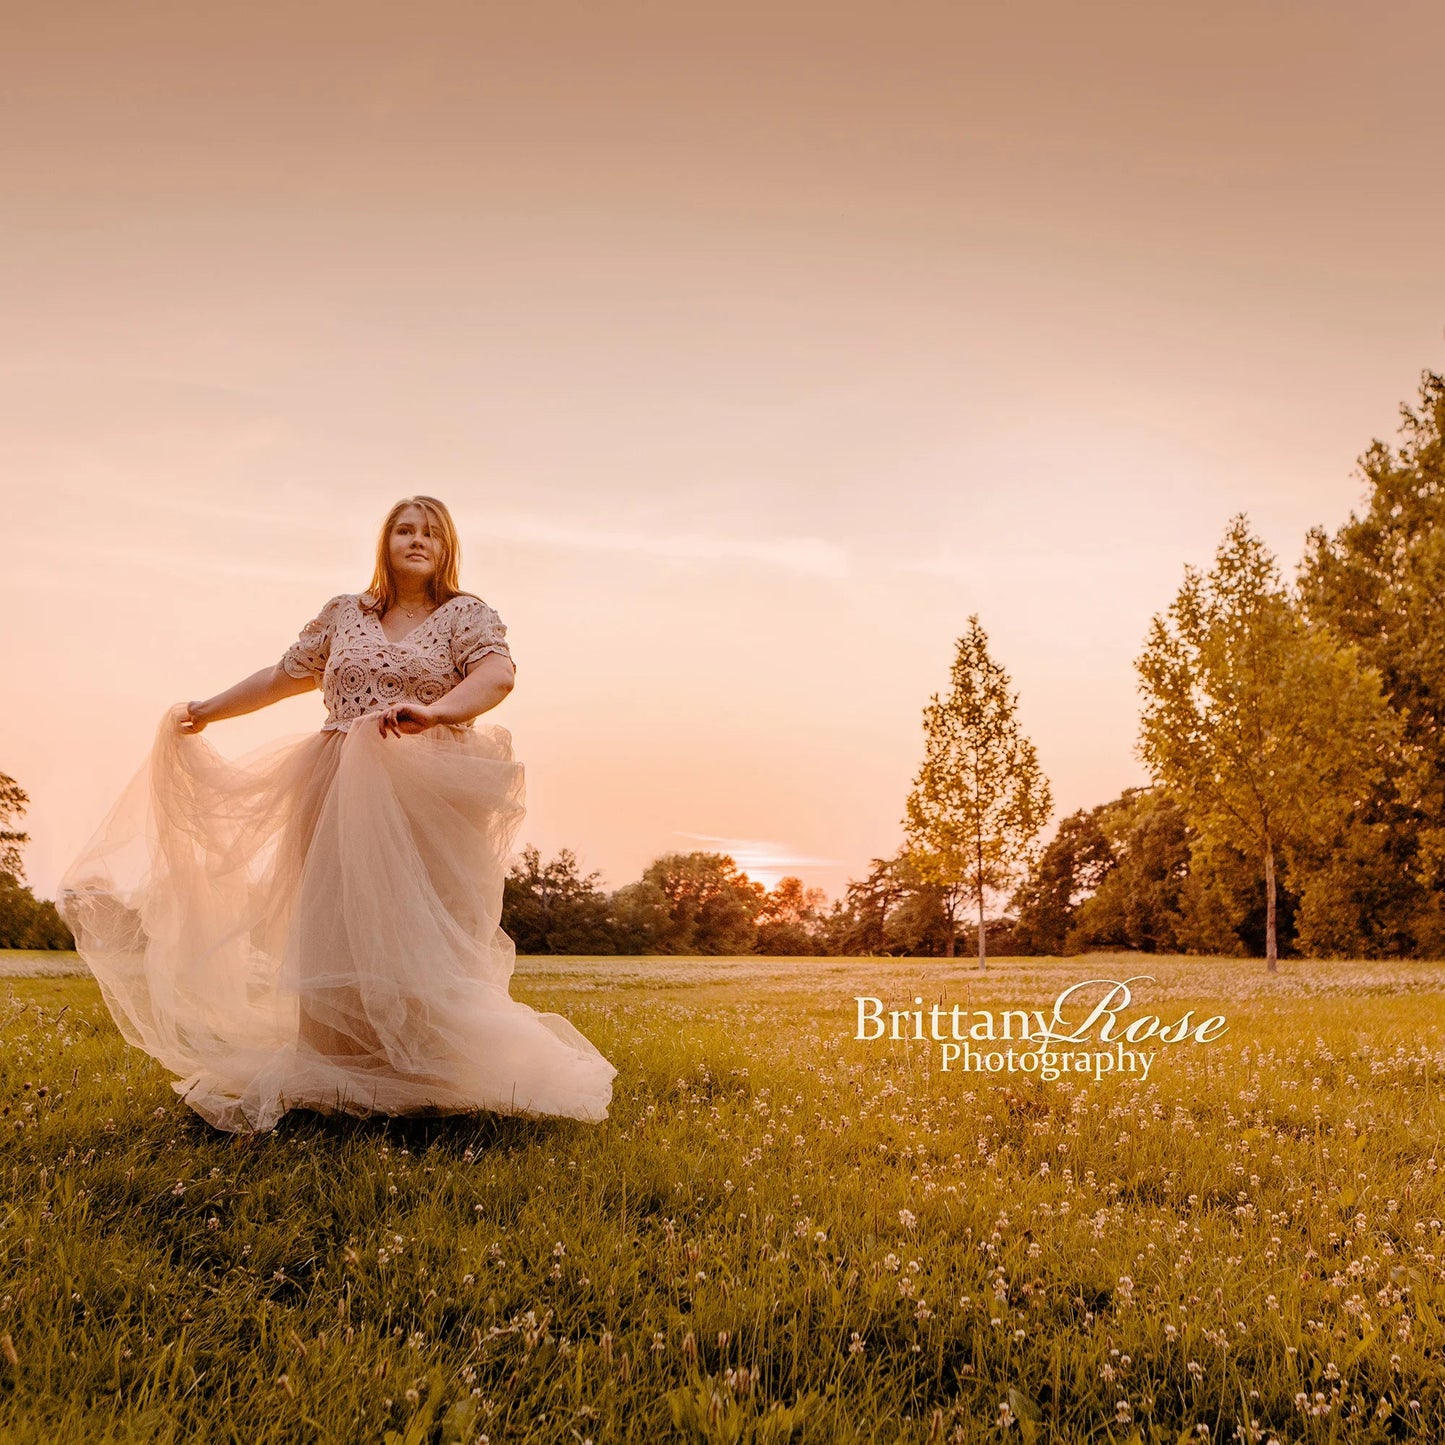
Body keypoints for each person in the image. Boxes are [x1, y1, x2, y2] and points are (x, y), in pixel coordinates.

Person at [58, 496, 617, 1133]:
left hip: (421, 792)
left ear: (446, 546)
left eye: (430, 533)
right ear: (385, 542)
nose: (416, 540)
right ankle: (334, 1065)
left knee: (413, 925)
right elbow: (282, 676)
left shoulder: (466, 615)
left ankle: (427, 1066)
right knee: (332, 920)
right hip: (331, 786)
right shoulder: (344, 615)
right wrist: (207, 709)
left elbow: (497, 675)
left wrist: (436, 712)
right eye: (404, 530)